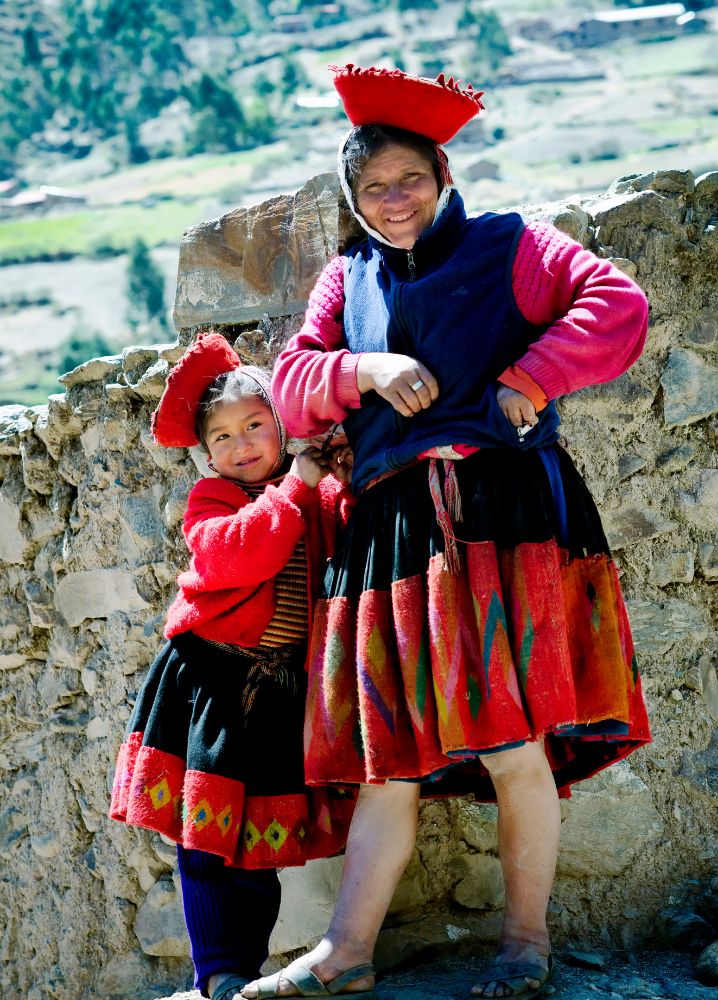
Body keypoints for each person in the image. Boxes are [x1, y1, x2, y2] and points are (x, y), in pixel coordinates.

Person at [242, 65, 652, 1000]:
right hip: (390, 534)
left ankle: (526, 945)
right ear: (352, 196)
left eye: (410, 180)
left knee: (512, 740)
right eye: (373, 187)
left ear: (443, 174)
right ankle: (344, 956)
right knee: (389, 755)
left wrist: (535, 376)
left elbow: (618, 306)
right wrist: (368, 366)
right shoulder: (348, 280)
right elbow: (295, 384)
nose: (394, 201)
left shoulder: (515, 247)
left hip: (500, 521)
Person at [109, 332, 356, 1000]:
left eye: (254, 425)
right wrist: (297, 485)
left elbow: (348, 513)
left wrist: (332, 467)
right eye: (220, 437)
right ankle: (220, 971)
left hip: (277, 690)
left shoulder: (315, 489)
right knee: (208, 837)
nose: (240, 444)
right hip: (211, 683)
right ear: (205, 453)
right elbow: (240, 558)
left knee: (256, 842)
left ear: (282, 425)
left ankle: (242, 977)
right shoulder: (214, 503)